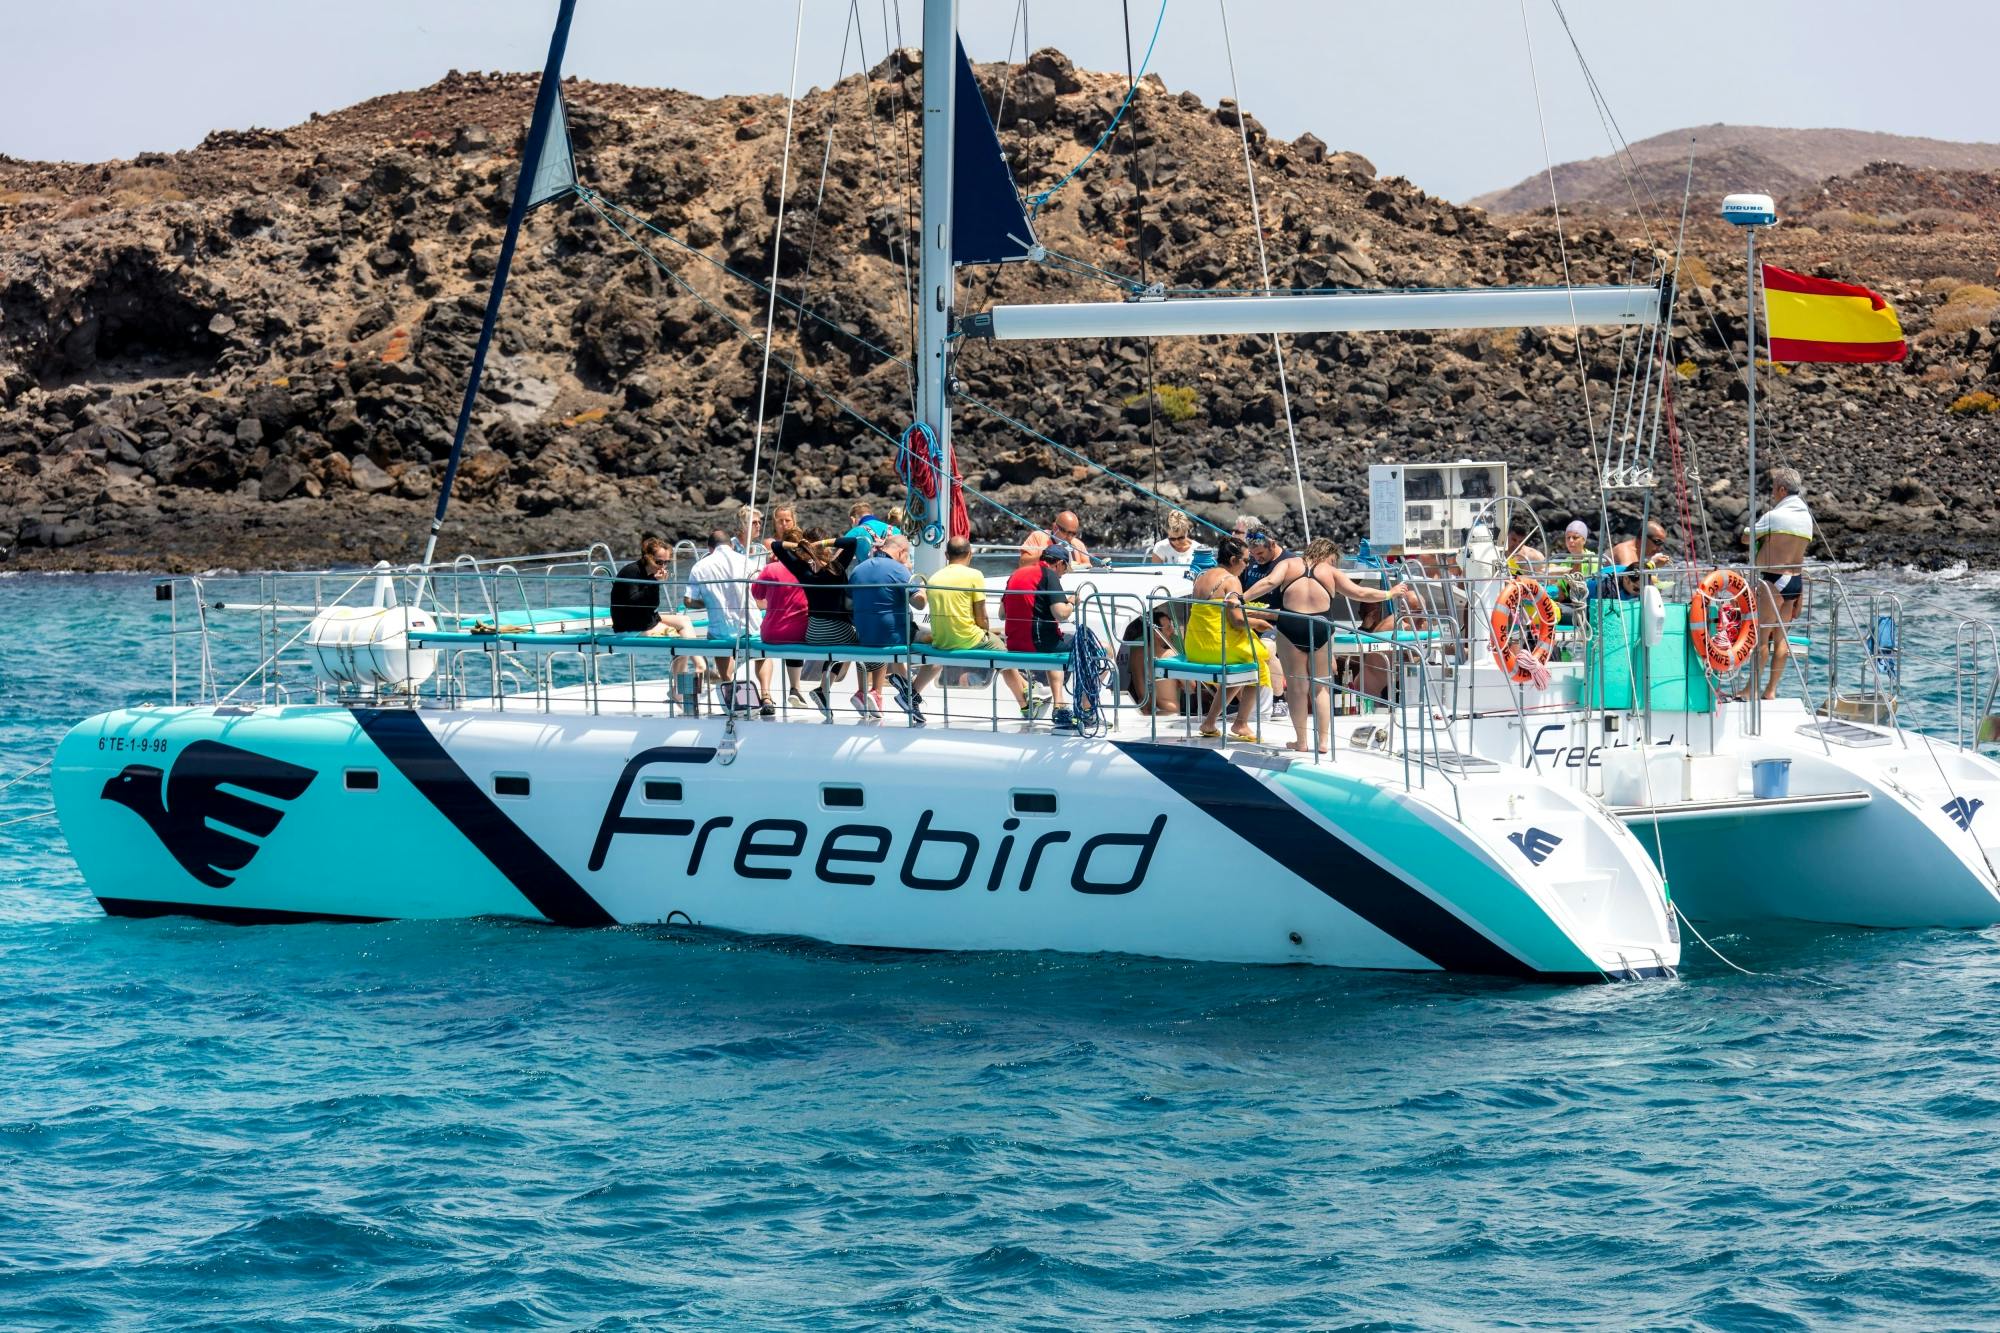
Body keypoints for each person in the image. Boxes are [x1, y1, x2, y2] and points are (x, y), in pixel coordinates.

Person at [1244, 539, 1412, 751]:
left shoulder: (1289, 563)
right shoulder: (1330, 572)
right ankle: (1323, 743)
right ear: (1329, 555)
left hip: (1291, 623)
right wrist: (1390, 593)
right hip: (1320, 625)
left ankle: (1301, 742)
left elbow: (1268, 583)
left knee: (1297, 687)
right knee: (1321, 688)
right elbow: (1359, 593)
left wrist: (1242, 598)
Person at [922, 536, 1032, 715]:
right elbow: (982, 616)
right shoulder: (975, 575)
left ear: (946, 555)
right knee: (1002, 651)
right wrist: (987, 632)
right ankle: (1025, 704)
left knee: (992, 641)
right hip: (966, 639)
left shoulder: (934, 578)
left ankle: (1027, 686)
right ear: (970, 554)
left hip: (941, 641)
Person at [770, 527, 865, 718]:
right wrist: (821, 543)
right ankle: (847, 690)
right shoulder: (836, 568)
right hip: (838, 631)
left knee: (837, 646)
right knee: (858, 643)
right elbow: (852, 542)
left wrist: (800, 546)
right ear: (826, 548)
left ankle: (823, 691)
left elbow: (776, 546)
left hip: (813, 633)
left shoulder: (803, 570)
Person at [1187, 536, 1271, 742]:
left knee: (1238, 669)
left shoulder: (1202, 576)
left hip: (1196, 645)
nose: (1247, 565)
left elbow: (1214, 615)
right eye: (1245, 560)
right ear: (1233, 560)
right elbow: (1236, 620)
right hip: (1217, 646)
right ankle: (1241, 723)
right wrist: (1259, 623)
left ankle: (1209, 722)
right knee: (1258, 663)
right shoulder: (1231, 580)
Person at [686, 523, 772, 714]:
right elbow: (761, 594)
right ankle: (766, 695)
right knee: (762, 655)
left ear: (710, 548)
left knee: (721, 648)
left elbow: (688, 600)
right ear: (731, 545)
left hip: (721, 629)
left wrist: (707, 603)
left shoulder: (700, 566)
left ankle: (732, 693)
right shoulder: (748, 562)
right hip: (752, 624)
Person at [1747, 465, 1815, 701]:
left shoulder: (1775, 516)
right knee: (1782, 640)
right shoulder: (1806, 519)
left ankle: (1750, 689)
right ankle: (1771, 690)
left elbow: (1746, 536)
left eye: (1775, 490)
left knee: (1762, 638)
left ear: (1783, 490)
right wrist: (1802, 596)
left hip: (1773, 580)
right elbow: (1800, 559)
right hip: (1795, 583)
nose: (1774, 495)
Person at [850, 533, 928, 720]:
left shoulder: (858, 569)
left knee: (886, 645)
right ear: (902, 552)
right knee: (938, 643)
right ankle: (910, 695)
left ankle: (894, 693)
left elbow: (850, 598)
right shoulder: (899, 569)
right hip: (892, 637)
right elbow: (920, 603)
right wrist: (922, 585)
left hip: (863, 636)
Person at [1004, 542, 1077, 731]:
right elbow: (1061, 613)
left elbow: (1002, 613)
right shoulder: (1049, 575)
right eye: (1065, 570)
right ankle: (1085, 711)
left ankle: (1058, 704)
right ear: (1059, 563)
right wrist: (1072, 603)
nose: (1063, 574)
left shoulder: (1016, 574)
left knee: (1056, 637)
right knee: (1099, 648)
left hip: (1013, 644)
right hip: (1038, 644)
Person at [751, 531, 809, 705]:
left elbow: (756, 594)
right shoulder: (807, 568)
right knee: (795, 637)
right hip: (801, 633)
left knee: (765, 651)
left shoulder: (771, 569)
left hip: (771, 633)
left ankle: (766, 694)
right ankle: (795, 688)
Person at [609, 535, 697, 639]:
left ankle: (697, 655)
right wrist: (654, 582)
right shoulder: (631, 572)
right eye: (659, 562)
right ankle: (689, 654)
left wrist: (655, 582)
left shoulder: (651, 574)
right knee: (674, 636)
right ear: (648, 558)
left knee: (685, 620)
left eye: (667, 562)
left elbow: (654, 605)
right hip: (629, 627)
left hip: (644, 620)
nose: (663, 566)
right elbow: (634, 602)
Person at [1019, 510, 1093, 569]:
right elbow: (1023, 562)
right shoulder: (1038, 536)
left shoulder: (1078, 544)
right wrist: (1045, 557)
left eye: (1073, 533)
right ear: (1055, 528)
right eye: (1066, 532)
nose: (1069, 537)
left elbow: (1088, 565)